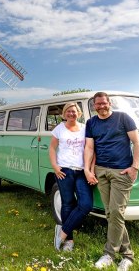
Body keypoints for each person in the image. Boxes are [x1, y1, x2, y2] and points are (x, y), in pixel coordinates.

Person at [84, 92, 139, 271]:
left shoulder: (123, 118)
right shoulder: (91, 123)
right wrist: (87, 169)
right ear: (94, 106)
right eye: (97, 104)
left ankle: (109, 254)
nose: (101, 106)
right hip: (101, 171)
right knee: (111, 214)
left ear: (109, 103)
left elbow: (138, 143)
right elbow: (89, 147)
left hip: (121, 172)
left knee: (116, 212)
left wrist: (135, 167)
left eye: (103, 103)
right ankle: (128, 255)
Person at [49, 102, 97, 252]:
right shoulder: (59, 129)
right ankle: (69, 241)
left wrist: (90, 169)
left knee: (86, 205)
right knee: (68, 203)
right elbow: (52, 148)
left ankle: (61, 232)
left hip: (82, 171)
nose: (71, 114)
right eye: (68, 111)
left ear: (79, 113)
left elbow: (91, 150)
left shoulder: (85, 128)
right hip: (65, 171)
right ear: (64, 114)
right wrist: (55, 167)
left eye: (74, 111)